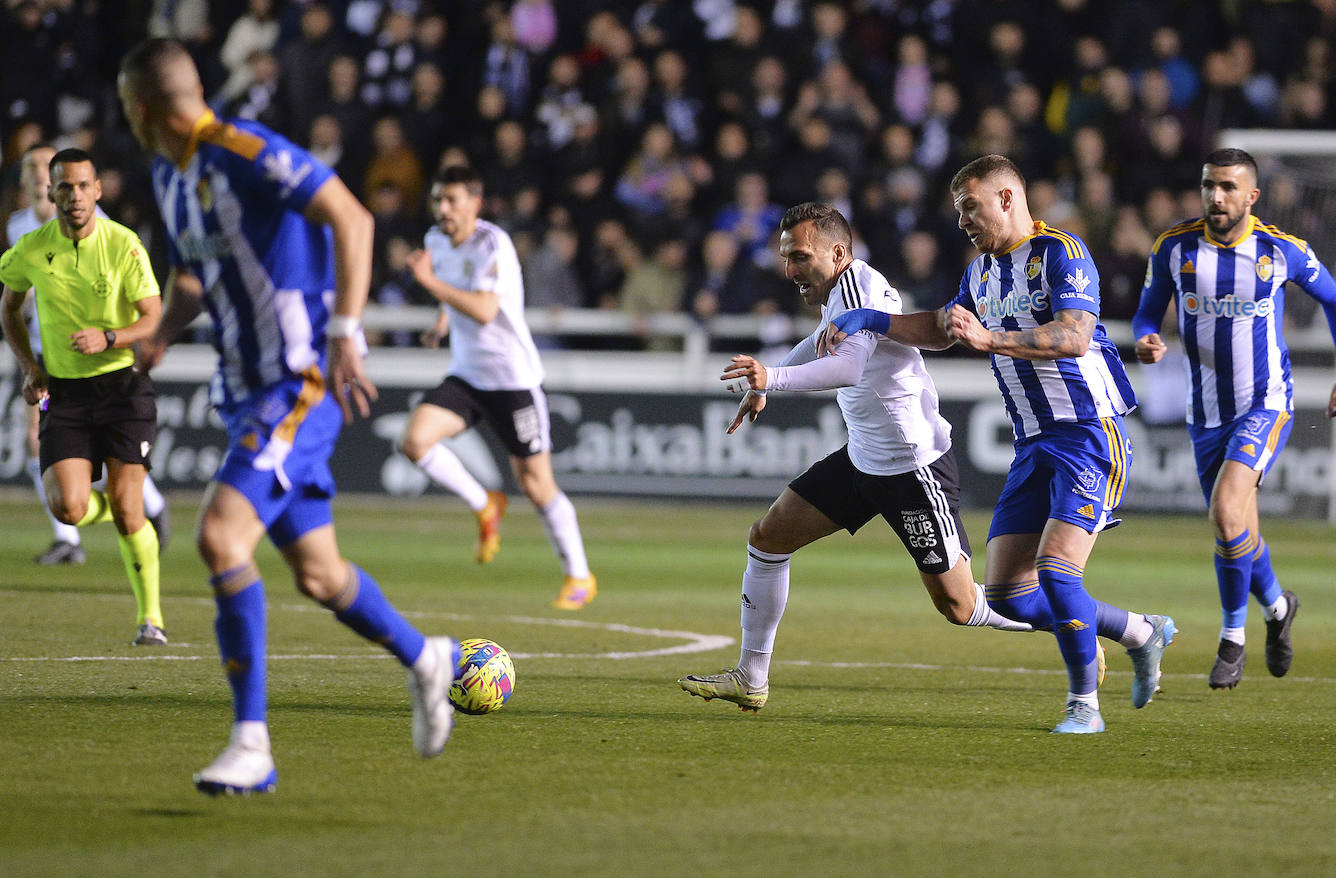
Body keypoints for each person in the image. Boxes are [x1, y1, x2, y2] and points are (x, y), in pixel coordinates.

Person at [117, 37, 462, 796]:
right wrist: (158, 338)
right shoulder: (170, 177)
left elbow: (351, 216)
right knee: (319, 573)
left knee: (218, 536)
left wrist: (344, 332)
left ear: (142, 110)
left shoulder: (244, 150)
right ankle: (427, 657)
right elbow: (189, 279)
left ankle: (252, 743)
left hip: (299, 382)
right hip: (246, 387)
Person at [828, 156, 1177, 734]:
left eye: (972, 207)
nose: (963, 220)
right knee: (1011, 595)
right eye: (958, 210)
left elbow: (1074, 335)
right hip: (1033, 443)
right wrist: (875, 319)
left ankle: (1084, 706)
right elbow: (944, 328)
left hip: (1090, 434)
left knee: (1057, 572)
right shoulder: (981, 273)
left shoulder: (1062, 252)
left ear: (1008, 199)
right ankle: (1141, 631)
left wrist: (990, 338)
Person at [677, 202, 1042, 715]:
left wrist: (771, 378)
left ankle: (1072, 621)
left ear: (838, 253)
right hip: (864, 458)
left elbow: (847, 368)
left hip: (912, 467)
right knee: (768, 537)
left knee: (961, 605)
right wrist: (770, 385)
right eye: (786, 258)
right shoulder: (842, 290)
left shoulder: (856, 289)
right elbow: (819, 343)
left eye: (800, 257)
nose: (790, 271)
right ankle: (750, 676)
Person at [1132, 147, 1336, 689]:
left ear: (1251, 196)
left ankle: (1231, 637)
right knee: (1236, 530)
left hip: (1266, 402)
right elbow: (1148, 309)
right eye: (1210, 184)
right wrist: (1144, 336)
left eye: (1229, 187)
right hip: (1204, 411)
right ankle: (1279, 609)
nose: (1217, 196)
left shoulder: (1280, 250)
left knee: (1227, 514)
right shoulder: (1174, 247)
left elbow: (1335, 301)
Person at [400, 164, 596, 610]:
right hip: (468, 374)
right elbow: (457, 292)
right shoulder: (435, 241)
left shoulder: (494, 244)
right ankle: (485, 504)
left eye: (451, 200)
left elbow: (487, 309)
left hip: (512, 380)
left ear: (474, 202)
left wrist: (430, 284)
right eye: (437, 200)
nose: (443, 209)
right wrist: (441, 322)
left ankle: (580, 576)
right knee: (414, 441)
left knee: (535, 483)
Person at [1, 148, 168, 647]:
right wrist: (31, 366)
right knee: (68, 508)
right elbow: (9, 310)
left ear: (97, 190)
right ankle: (127, 509)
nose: (74, 197)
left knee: (126, 507)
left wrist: (110, 337)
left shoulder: (124, 244)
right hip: (65, 392)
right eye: (64, 188)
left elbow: (153, 315)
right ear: (49, 194)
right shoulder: (31, 248)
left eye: (82, 186)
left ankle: (151, 618)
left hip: (121, 386)